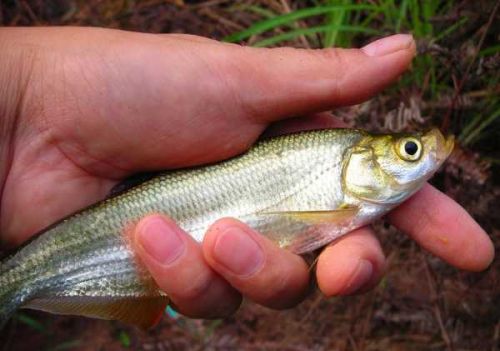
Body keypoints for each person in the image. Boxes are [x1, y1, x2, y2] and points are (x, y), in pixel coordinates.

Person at [0, 28, 493, 319]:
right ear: (362, 162)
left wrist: (28, 95)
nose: (421, 155)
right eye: (410, 151)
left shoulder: (340, 161)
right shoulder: (335, 163)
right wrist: (26, 93)